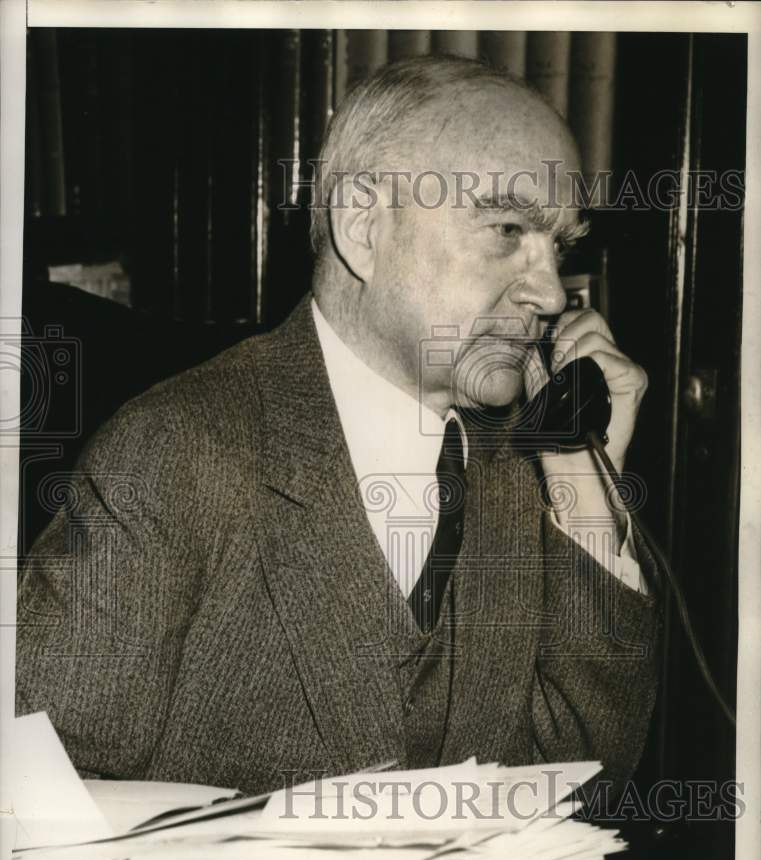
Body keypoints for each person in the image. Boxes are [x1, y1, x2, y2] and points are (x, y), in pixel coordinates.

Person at [15, 56, 661, 797]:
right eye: (507, 228)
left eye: (561, 248)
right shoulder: (176, 454)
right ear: (362, 227)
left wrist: (581, 473)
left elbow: (584, 790)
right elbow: (35, 795)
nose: (549, 292)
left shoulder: (523, 463)